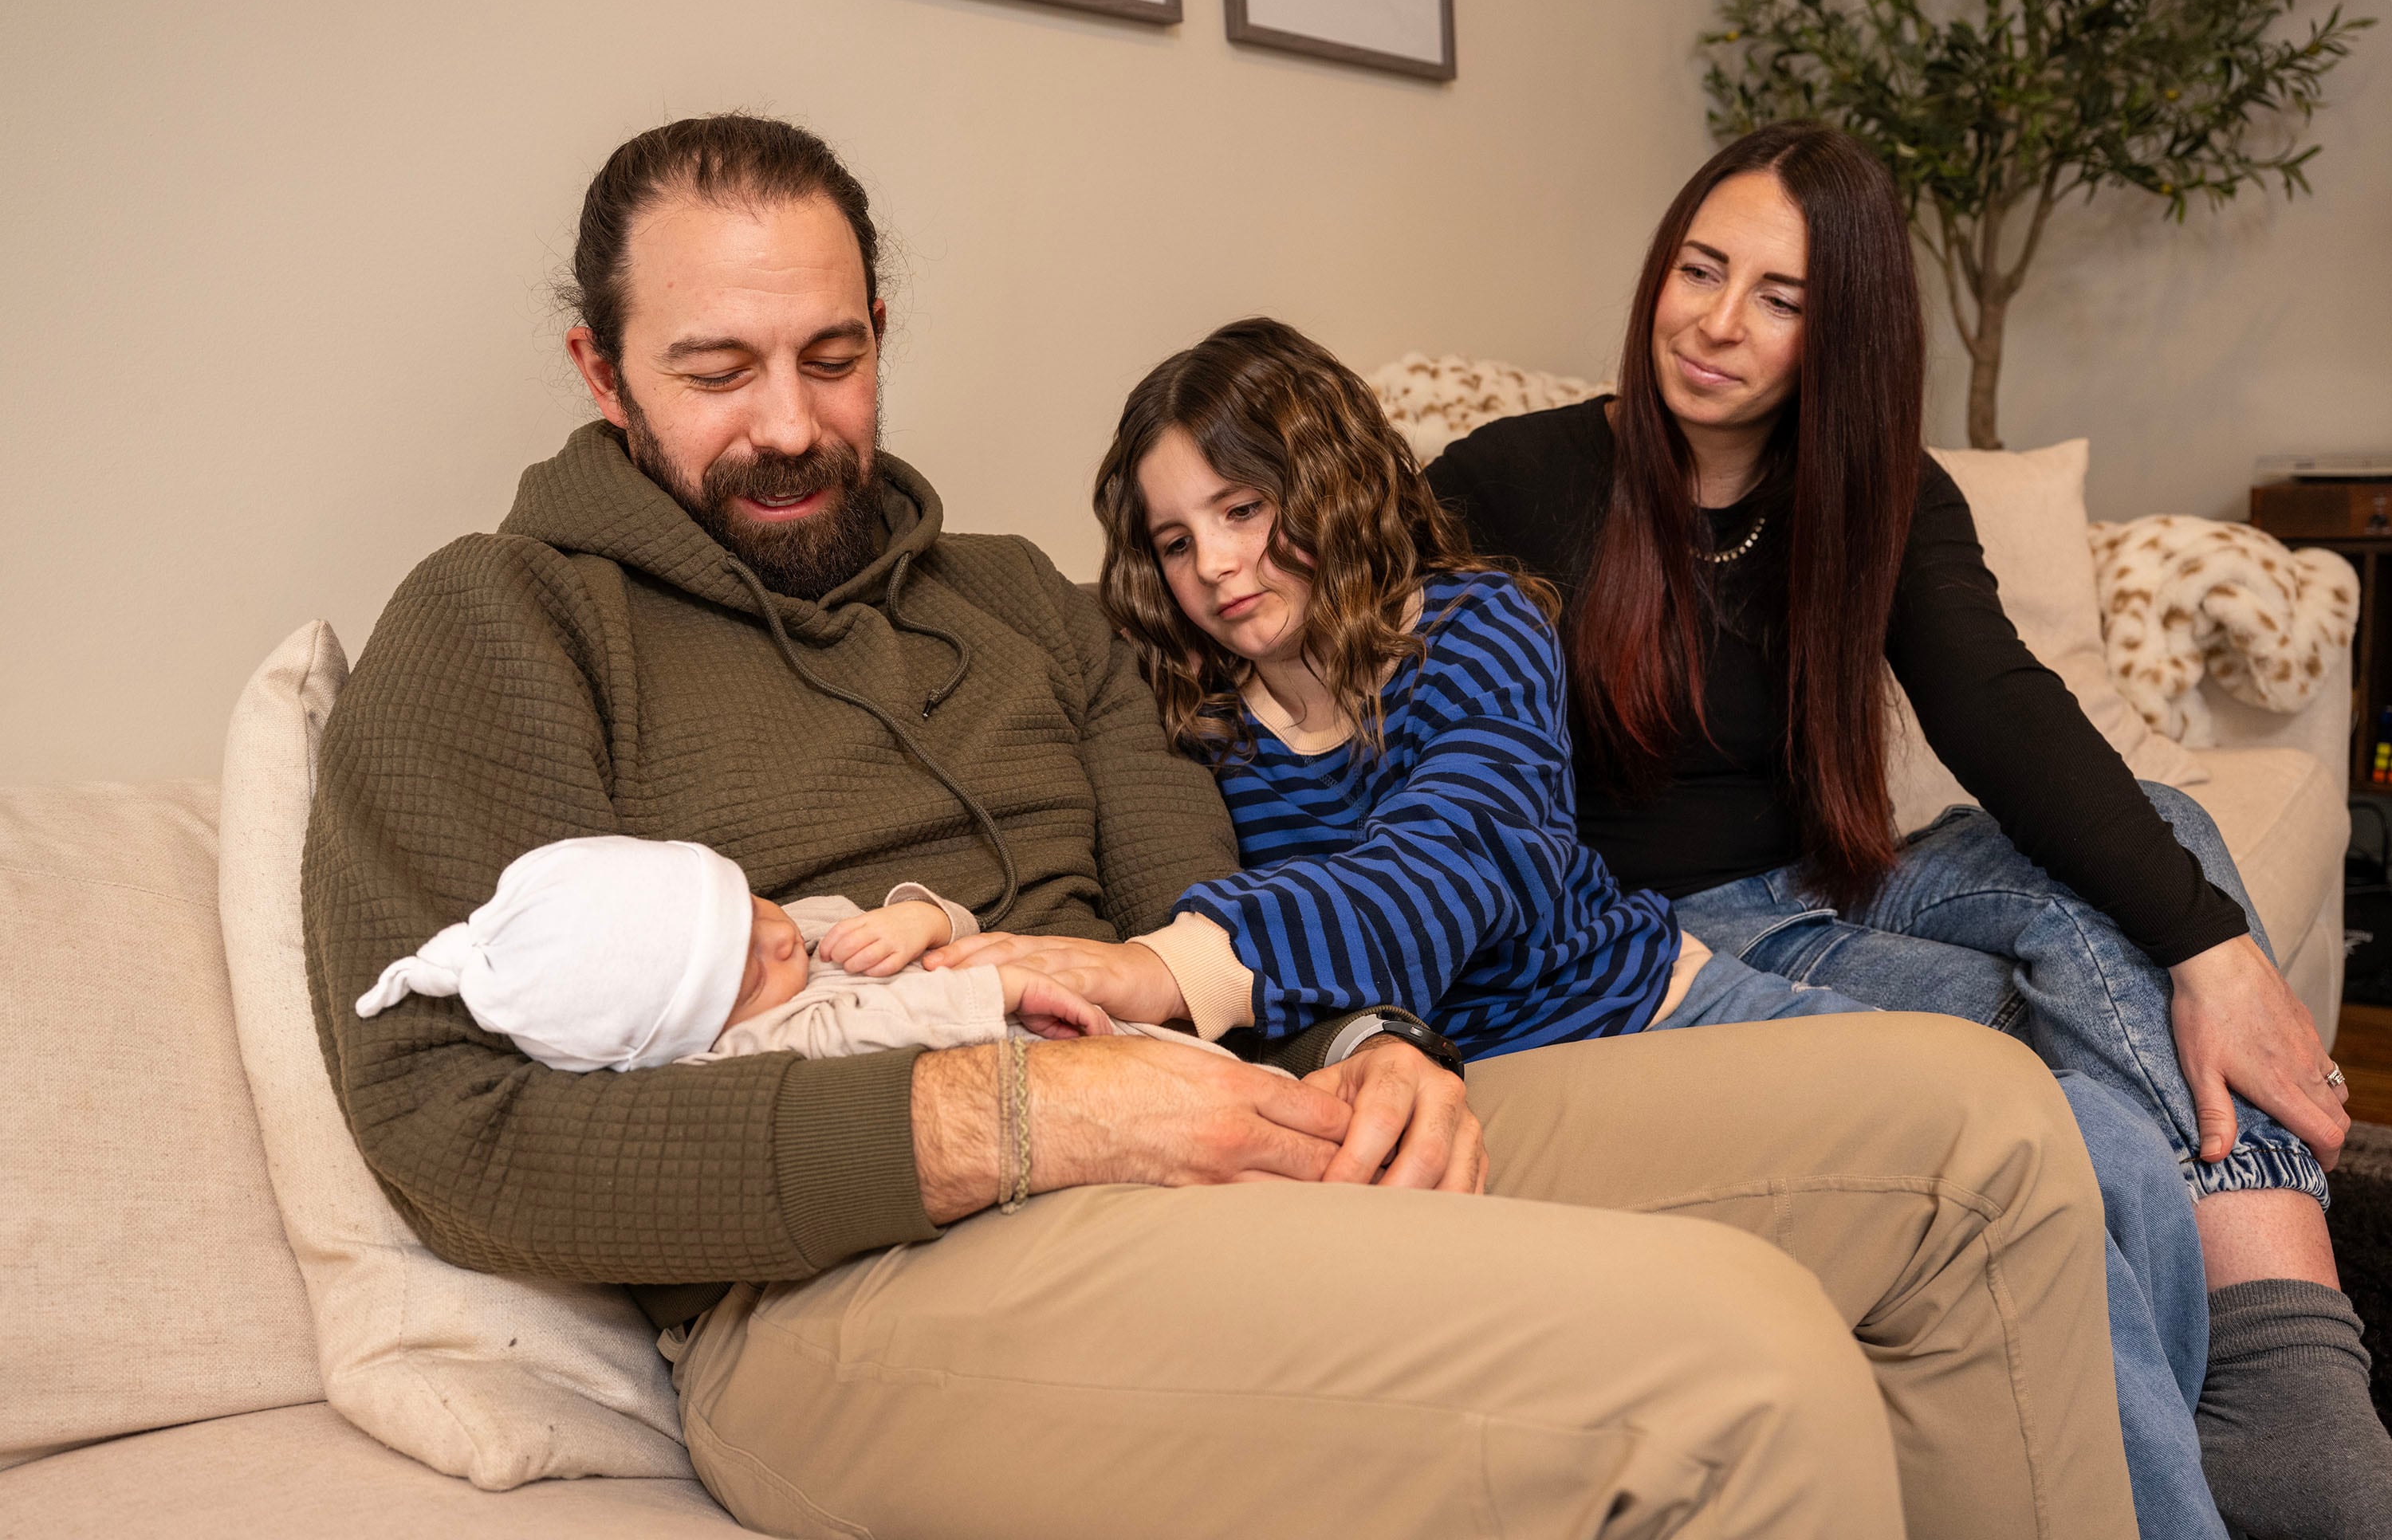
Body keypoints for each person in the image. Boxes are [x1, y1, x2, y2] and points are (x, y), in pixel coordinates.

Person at [301, 112, 2138, 1538]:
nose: (790, 423)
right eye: (717, 369)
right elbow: (459, 1132)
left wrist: (1366, 1028)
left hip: (1234, 1112)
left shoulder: (1013, 592)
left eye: (835, 356)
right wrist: (1007, 1108)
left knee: (1972, 1131)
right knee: (1733, 1361)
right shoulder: (499, 620)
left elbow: (1211, 872)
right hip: (848, 1283)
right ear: (596, 367)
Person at [960, 309, 2214, 1537]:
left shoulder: (1475, 628)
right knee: (2029, 1165)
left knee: (2100, 1139)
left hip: (1669, 1002)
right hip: (1500, 1085)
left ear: (1329, 484)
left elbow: (1448, 869)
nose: (1218, 568)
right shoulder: (1194, 721)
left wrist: (1160, 969)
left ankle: (2165, 1484)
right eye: (1177, 542)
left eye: (1243, 511)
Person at [1425, 118, 2390, 1540]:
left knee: (2161, 853)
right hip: (1665, 940)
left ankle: (2270, 1358)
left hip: (1841, 884)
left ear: (1842, 337)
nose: (1713, 324)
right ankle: (2253, 1431)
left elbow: (2001, 710)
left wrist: (2220, 949)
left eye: (1779, 300)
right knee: (2060, 1090)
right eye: (1700, 269)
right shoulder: (1506, 483)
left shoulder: (1877, 491)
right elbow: (1404, 747)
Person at [350, 834, 1181, 1068]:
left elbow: (965, 933)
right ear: (699, 1026)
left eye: (748, 900)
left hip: (1099, 1033)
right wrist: (992, 991)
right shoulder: (750, 1045)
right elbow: (854, 1033)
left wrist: (925, 921)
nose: (783, 934)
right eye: (749, 964)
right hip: (1064, 1075)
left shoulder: (800, 930)